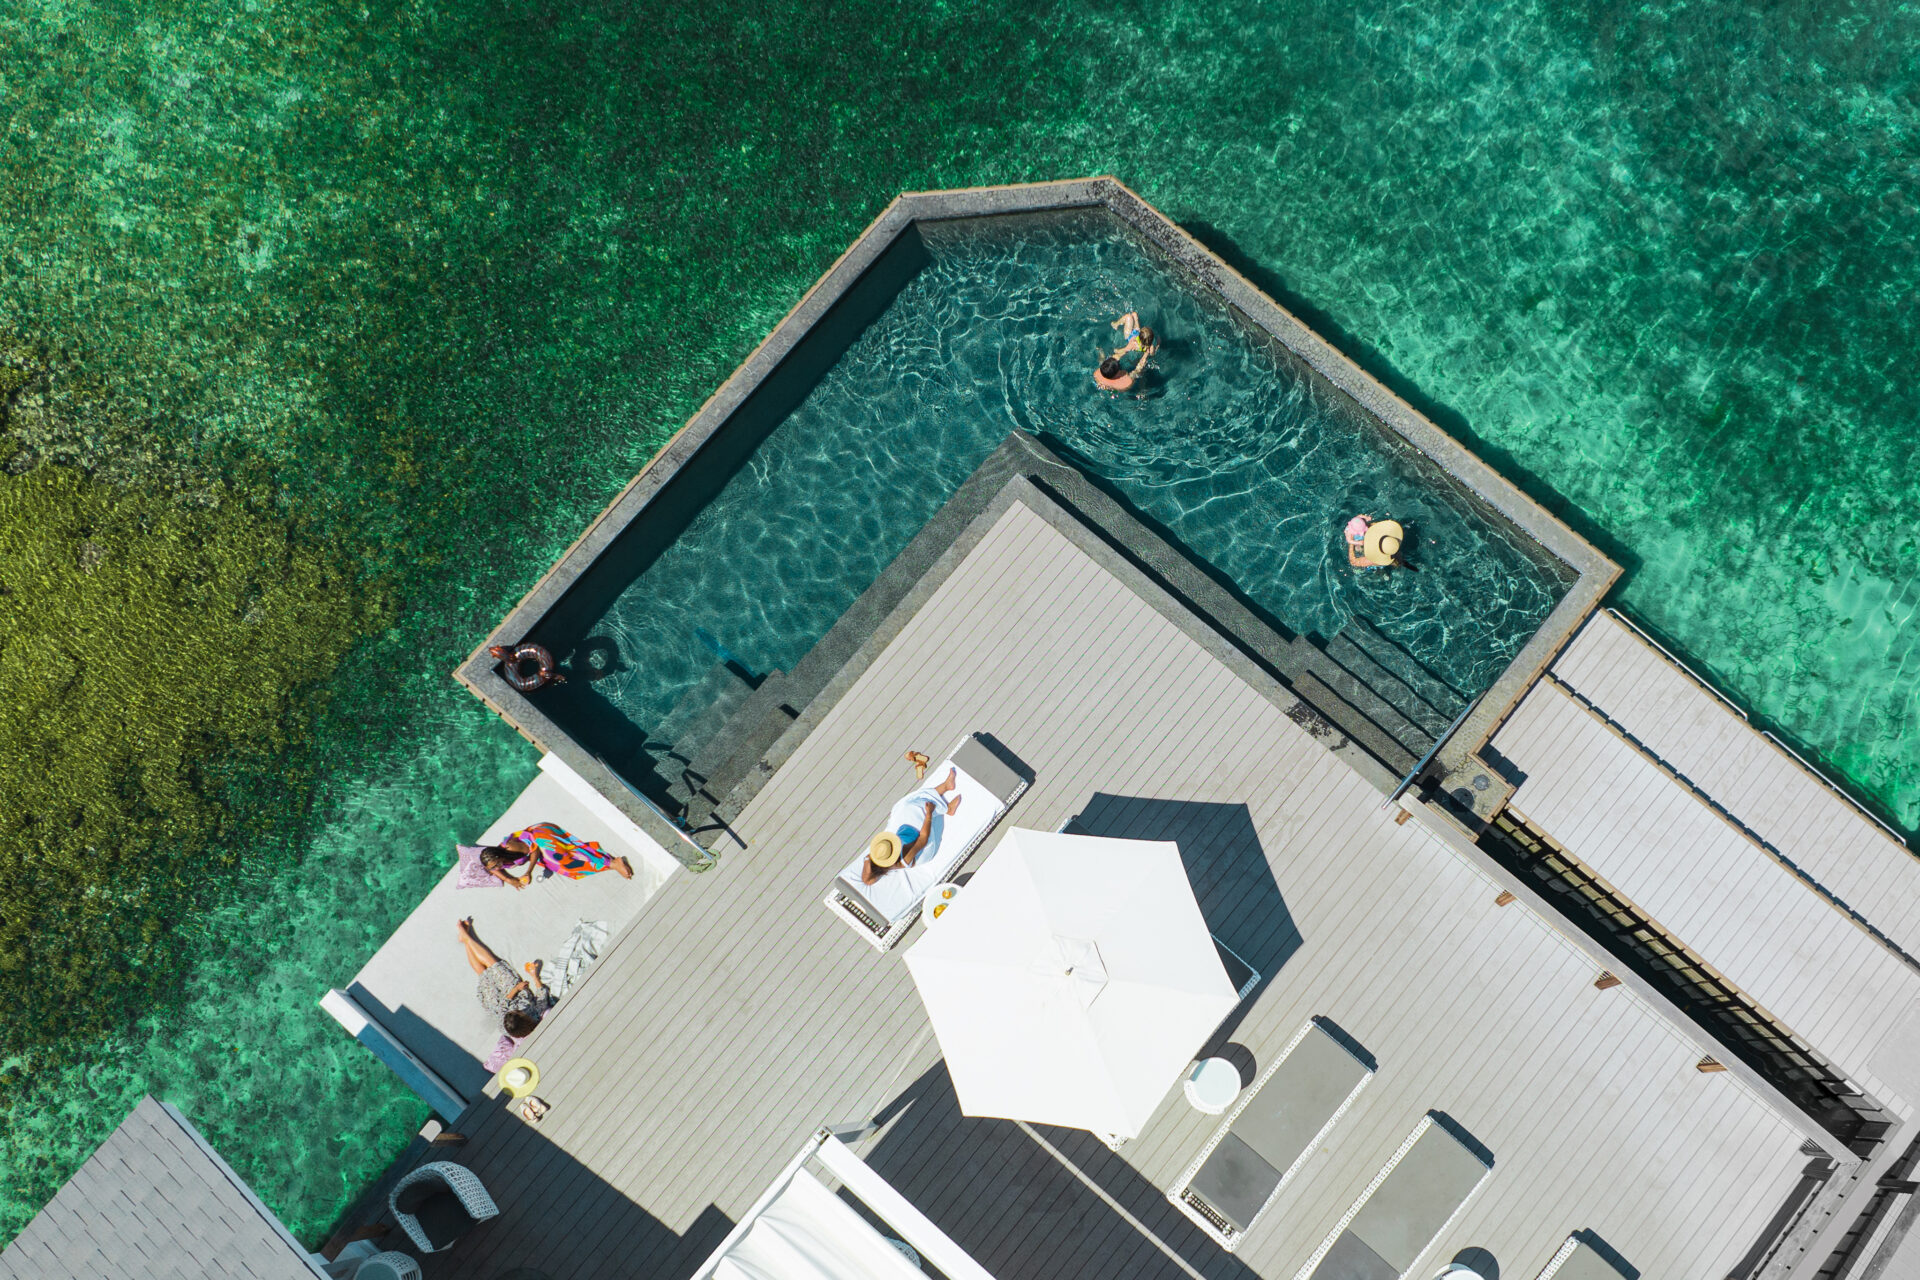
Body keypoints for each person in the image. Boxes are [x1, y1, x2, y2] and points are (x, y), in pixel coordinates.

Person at [862, 762, 963, 884]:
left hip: (906, 835)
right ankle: (948, 808)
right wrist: (929, 814)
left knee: (905, 806)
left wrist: (869, 860)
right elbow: (923, 839)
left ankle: (946, 786)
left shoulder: (876, 857)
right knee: (920, 810)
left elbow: (867, 880)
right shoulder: (904, 858)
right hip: (924, 848)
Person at [457, 917, 549, 1039]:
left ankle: (466, 939)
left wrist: (516, 989)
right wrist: (534, 976)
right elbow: (541, 995)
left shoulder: (507, 1025)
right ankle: (465, 938)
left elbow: (503, 1005)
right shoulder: (535, 1015)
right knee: (490, 968)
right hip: (509, 995)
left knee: (484, 971)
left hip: (495, 1002)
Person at [479, 822, 634, 889]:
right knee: (569, 871)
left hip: (540, 834)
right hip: (535, 847)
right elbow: (495, 870)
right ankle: (611, 865)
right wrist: (510, 880)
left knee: (563, 861)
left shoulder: (511, 847)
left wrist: (528, 872)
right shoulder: (495, 864)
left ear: (499, 856)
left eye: (496, 864)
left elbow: (534, 851)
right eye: (492, 868)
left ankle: (613, 864)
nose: (496, 868)